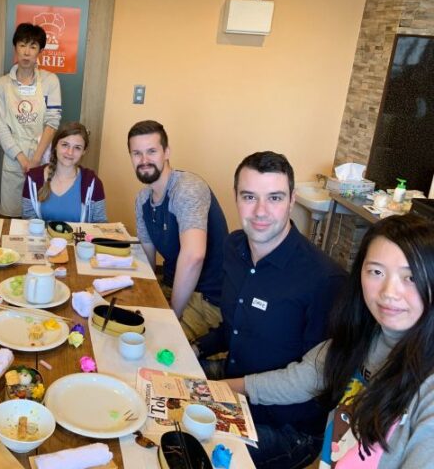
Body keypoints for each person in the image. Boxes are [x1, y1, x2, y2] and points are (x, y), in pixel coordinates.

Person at [226, 214, 434, 469]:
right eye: (376, 272)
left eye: (410, 277)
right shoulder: (365, 336)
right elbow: (301, 378)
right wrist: (219, 389)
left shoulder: (429, 388)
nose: (389, 293)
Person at [194, 151, 346, 468]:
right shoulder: (234, 247)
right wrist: (195, 348)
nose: (260, 211)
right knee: (155, 386)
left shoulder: (324, 280)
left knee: (191, 452)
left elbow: (315, 381)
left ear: (292, 201)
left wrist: (221, 390)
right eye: (249, 197)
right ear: (236, 198)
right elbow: (235, 327)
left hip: (287, 426)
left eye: (274, 198)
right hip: (235, 382)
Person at [128, 120, 228, 341]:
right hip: (171, 286)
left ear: (166, 152)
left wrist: (171, 314)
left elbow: (194, 256)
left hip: (207, 299)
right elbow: (146, 259)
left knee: (155, 343)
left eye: (151, 151)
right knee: (121, 321)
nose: (144, 160)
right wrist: (143, 296)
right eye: (137, 153)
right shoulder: (142, 199)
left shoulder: (187, 188)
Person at [0, 23, 62, 217]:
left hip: (42, 156)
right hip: (13, 157)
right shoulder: (2, 84)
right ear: (15, 47)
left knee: (39, 215)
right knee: (11, 216)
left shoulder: (50, 81)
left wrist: (35, 159)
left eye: (33, 47)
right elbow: (1, 127)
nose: (26, 52)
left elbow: (52, 123)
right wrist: (22, 159)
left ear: (40, 51)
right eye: (22, 45)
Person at [22, 121, 106, 222]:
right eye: (65, 145)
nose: (70, 152)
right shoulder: (33, 179)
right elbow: (29, 221)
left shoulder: (93, 182)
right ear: (55, 145)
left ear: (84, 151)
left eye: (77, 148)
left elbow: (100, 223)